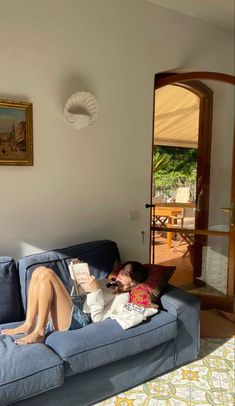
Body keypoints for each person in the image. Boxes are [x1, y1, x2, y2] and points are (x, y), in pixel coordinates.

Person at [1, 261, 149, 345]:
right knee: (39, 271)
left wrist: (96, 291)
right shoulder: (108, 282)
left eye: (126, 273)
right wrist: (78, 275)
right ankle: (28, 324)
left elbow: (98, 319)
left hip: (80, 319)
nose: (121, 273)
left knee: (48, 274)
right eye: (122, 270)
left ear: (134, 283)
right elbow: (81, 294)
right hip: (73, 305)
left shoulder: (122, 299)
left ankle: (40, 331)